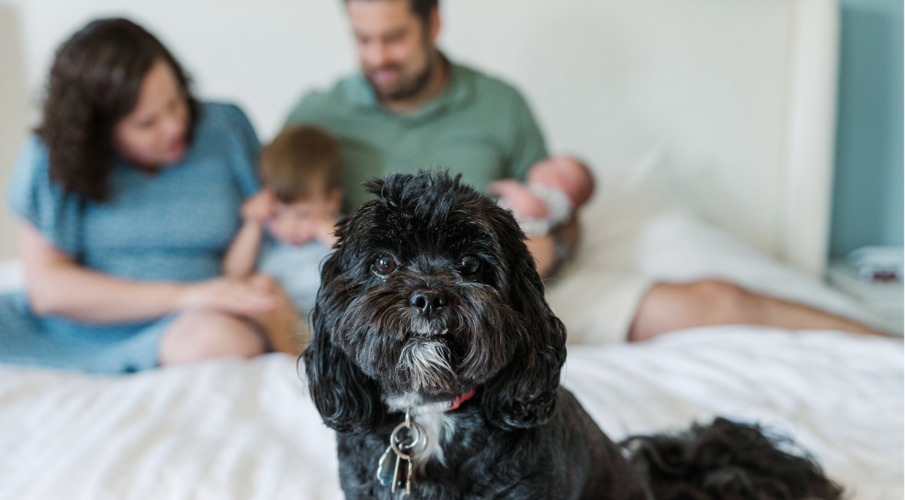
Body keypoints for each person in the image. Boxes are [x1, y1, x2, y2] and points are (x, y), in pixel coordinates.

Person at [286, 0, 880, 343]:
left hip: (503, 295)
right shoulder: (317, 115)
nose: (378, 58)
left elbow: (555, 210)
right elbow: (278, 215)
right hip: (385, 307)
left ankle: (886, 345)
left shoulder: (500, 104)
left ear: (434, 22)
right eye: (363, 40)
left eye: (394, 38)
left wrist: (555, 249)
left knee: (717, 298)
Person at [0, 18, 302, 373]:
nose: (174, 127)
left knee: (222, 342)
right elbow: (48, 290)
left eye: (177, 103)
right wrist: (187, 293)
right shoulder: (50, 158)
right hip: (78, 323)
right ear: (99, 132)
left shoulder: (224, 128)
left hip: (191, 322)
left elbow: (276, 222)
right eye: (146, 123)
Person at [223, 124, 341, 320]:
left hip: (328, 323)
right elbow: (233, 274)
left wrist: (326, 232)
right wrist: (253, 225)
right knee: (258, 286)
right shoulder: (266, 237)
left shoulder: (337, 231)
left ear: (332, 201)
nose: (289, 227)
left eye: (303, 215)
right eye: (277, 213)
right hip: (282, 323)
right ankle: (293, 350)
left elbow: (361, 262)